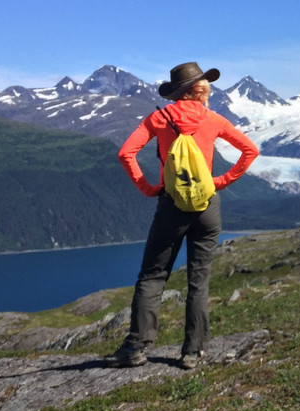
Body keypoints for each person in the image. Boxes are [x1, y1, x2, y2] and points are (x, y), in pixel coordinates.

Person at [106, 62, 260, 369]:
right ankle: (193, 352)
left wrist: (148, 188)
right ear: (201, 90)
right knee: (198, 281)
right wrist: (219, 182)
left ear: (179, 92)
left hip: (171, 205)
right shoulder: (214, 119)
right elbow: (250, 151)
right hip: (207, 206)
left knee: (152, 276)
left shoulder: (159, 118)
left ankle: (136, 348)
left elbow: (126, 153)